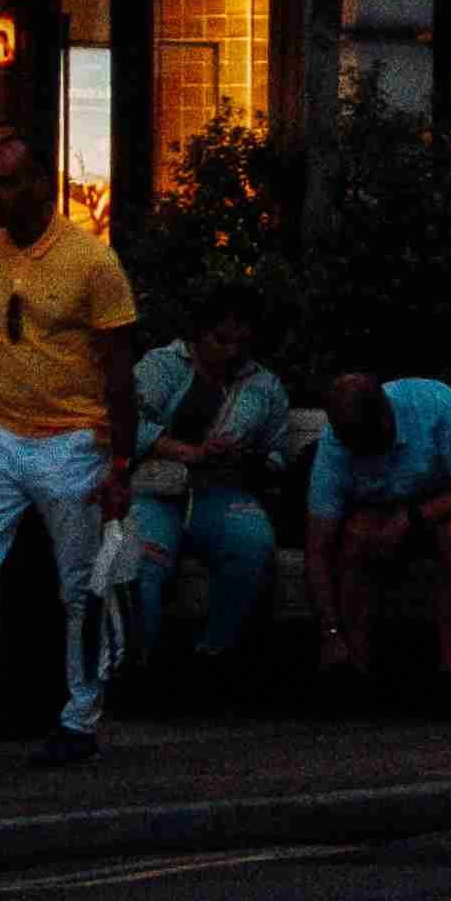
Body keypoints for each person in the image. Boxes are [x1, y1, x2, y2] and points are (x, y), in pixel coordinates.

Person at [0, 125, 135, 767]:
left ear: (42, 186)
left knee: (79, 584)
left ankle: (79, 718)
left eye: (8, 183)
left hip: (72, 439)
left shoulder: (93, 261)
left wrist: (118, 461)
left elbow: (120, 367)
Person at [118, 284, 295, 678]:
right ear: (200, 333)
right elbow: (126, 425)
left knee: (252, 543)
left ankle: (213, 659)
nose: (231, 350)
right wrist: (188, 452)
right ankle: (138, 666)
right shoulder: (162, 367)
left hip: (223, 492)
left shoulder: (264, 386)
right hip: (157, 489)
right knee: (144, 560)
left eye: (242, 342)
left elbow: (278, 453)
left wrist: (252, 462)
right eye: (221, 339)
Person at [306, 370, 451, 709]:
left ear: (385, 421)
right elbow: (317, 546)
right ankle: (356, 669)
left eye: (364, 445)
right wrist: (329, 632)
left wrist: (411, 519)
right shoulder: (335, 447)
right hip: (383, 508)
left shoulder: (434, 404)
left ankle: (450, 678)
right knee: (356, 535)